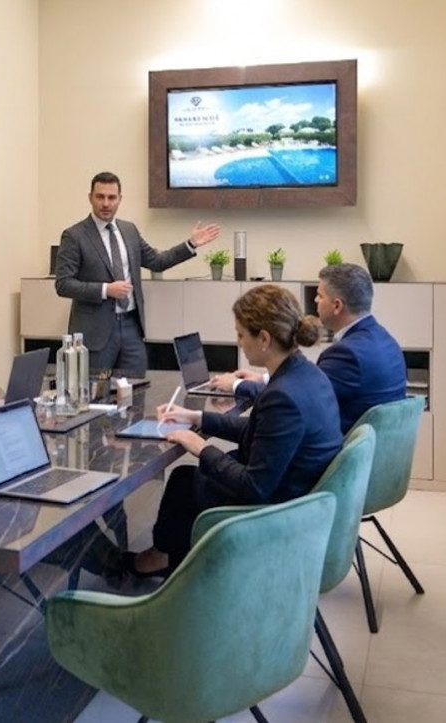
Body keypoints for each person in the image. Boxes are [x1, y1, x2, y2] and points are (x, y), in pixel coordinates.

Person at [128, 284, 343, 576]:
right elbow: (261, 430)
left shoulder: (284, 396)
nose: (238, 342)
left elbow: (254, 486)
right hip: (298, 493)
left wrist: (201, 447)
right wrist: (196, 417)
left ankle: (164, 563)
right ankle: (172, 558)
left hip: (277, 507)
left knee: (184, 480)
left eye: (241, 335)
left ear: (264, 338)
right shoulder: (307, 374)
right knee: (193, 475)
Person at [55, 171, 221, 375]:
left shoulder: (129, 231)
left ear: (120, 199)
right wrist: (106, 290)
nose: (106, 203)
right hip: (95, 333)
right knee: (96, 391)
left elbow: (156, 262)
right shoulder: (74, 236)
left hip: (131, 327)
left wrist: (191, 244)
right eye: (100, 197)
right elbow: (63, 284)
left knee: (137, 388)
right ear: (90, 198)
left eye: (111, 197)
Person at [211, 263, 408, 433]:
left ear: (337, 306)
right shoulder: (385, 340)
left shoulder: (346, 354)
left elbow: (294, 398)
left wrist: (236, 385)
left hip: (336, 453)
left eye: (319, 296)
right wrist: (263, 378)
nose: (315, 301)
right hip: (374, 452)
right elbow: (310, 384)